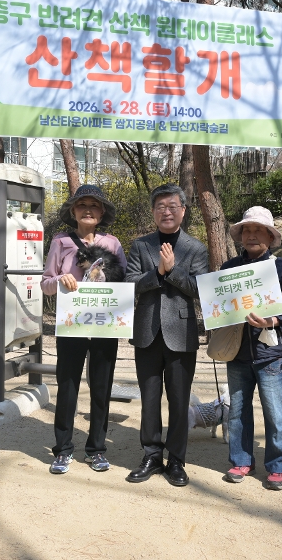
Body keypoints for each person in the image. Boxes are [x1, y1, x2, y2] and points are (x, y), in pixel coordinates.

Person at [124, 184, 208, 487]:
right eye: (160, 206)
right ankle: (151, 455)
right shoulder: (140, 245)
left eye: (172, 206)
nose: (166, 211)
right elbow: (130, 283)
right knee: (149, 398)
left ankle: (176, 460)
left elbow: (200, 289)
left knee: (179, 399)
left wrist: (172, 271)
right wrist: (157, 273)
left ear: (183, 210)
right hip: (146, 331)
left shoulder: (196, 248)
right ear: (153, 212)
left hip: (181, 333)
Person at [41, 184, 127, 474]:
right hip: (72, 324)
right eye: (82, 205)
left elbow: (124, 280)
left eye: (94, 205)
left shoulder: (113, 243)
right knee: (67, 386)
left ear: (102, 212)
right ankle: (63, 449)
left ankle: (96, 449)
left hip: (104, 323)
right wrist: (60, 279)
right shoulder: (60, 241)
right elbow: (45, 283)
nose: (88, 210)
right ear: (73, 211)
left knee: (102, 387)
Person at [221, 207, 282, 491]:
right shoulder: (228, 269)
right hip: (237, 352)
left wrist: (272, 320)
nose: (252, 235)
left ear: (270, 237)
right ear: (241, 236)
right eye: (247, 230)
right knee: (237, 411)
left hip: (272, 355)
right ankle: (241, 460)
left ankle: (278, 466)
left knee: (276, 413)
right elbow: (218, 306)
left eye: (259, 230)